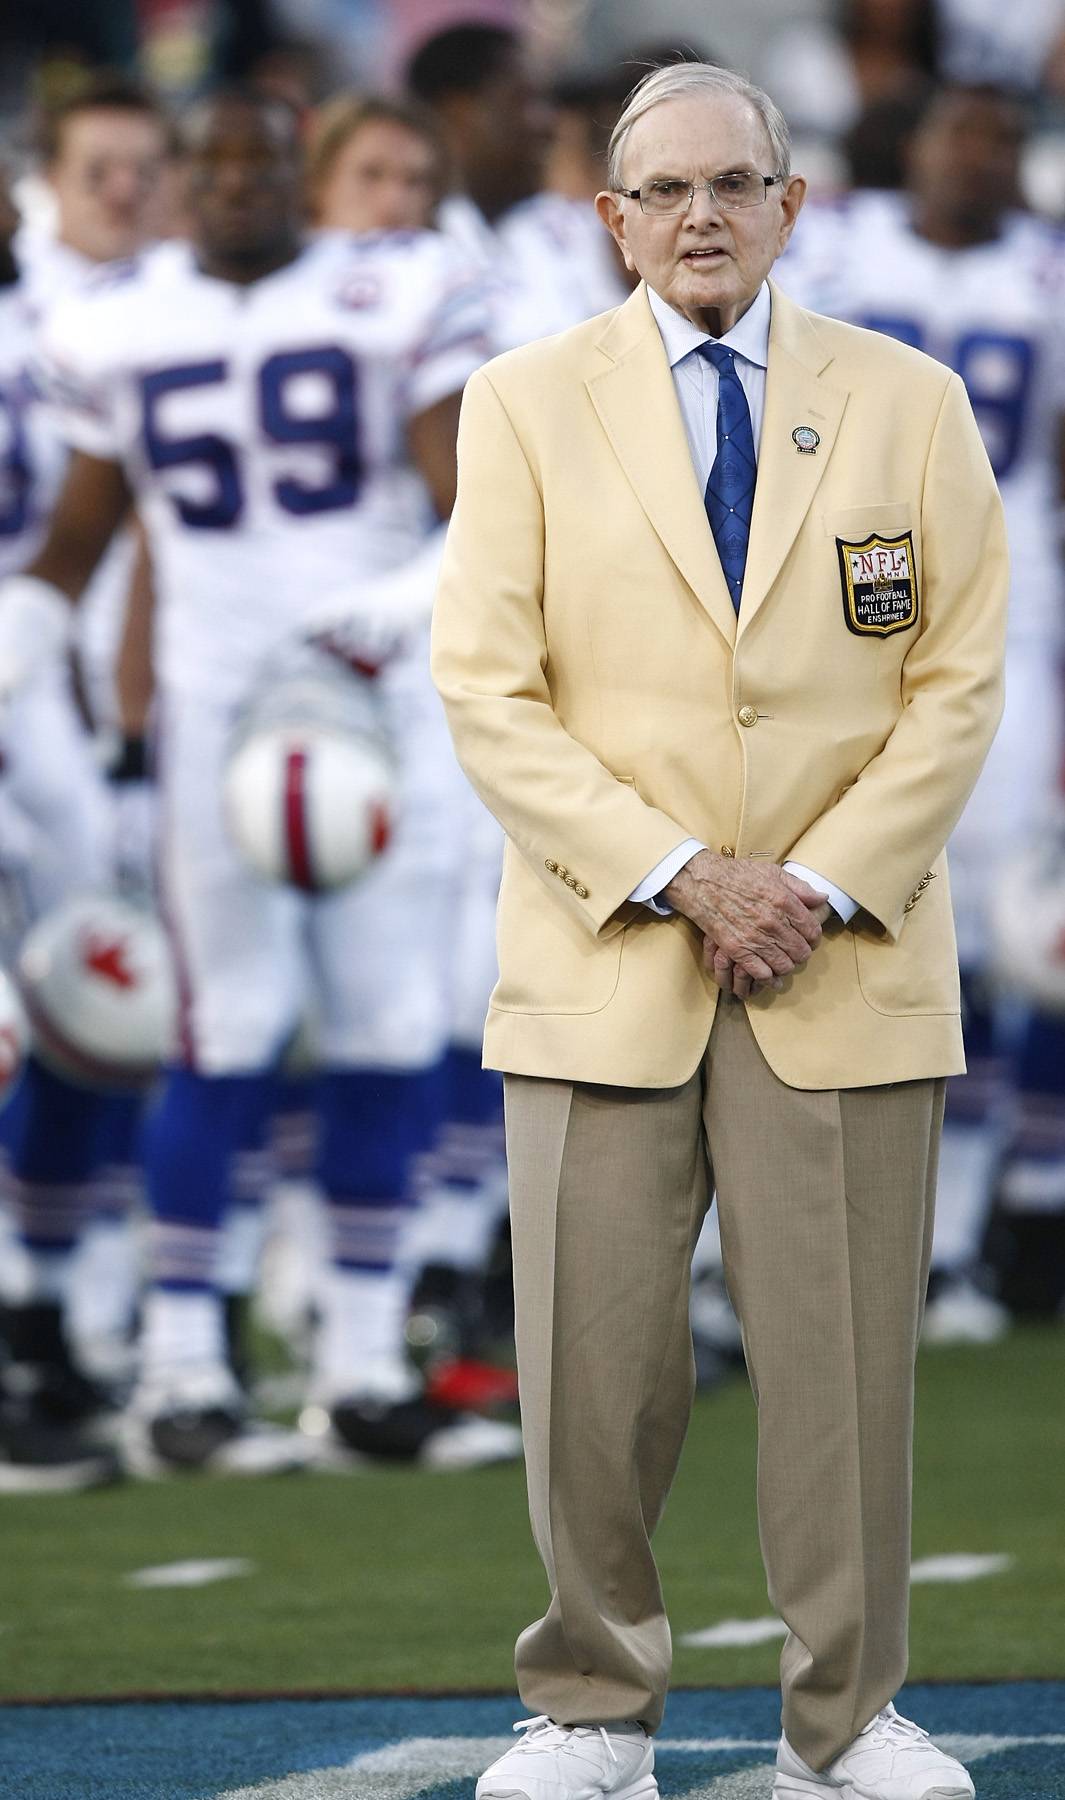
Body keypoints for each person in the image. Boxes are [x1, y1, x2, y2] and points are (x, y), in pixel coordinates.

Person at [431, 61, 1007, 1800]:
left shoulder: (911, 403)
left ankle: (848, 1721)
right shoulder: (523, 404)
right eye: (663, 188)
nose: (701, 214)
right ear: (610, 216)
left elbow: (957, 683)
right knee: (594, 1373)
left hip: (843, 960)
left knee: (840, 1381)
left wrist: (812, 886)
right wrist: (687, 873)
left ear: (791, 205)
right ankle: (588, 1711)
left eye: (734, 183)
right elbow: (489, 690)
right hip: (610, 959)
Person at [0, 89, 520, 1474]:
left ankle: (357, 1363)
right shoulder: (123, 320)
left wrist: (398, 604)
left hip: (376, 699)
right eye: (210, 163)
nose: (234, 183)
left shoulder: (389, 288)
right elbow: (76, 534)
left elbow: (476, 511)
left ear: (300, 180)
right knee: (223, 1021)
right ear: (184, 183)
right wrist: (26, 632)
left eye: (259, 162)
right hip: (217, 711)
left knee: (386, 1016)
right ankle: (180, 1370)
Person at [777, 82, 1065, 1343]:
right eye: (964, 132)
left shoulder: (1049, 272)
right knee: (808, 899)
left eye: (1002, 139)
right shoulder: (834, 246)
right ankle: (775, 1249)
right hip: (831, 602)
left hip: (1005, 608)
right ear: (919, 145)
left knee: (985, 937)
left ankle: (942, 1244)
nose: (981, 157)